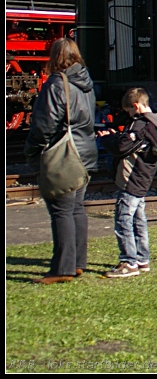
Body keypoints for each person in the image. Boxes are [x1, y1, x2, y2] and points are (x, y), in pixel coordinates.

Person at [24, 37, 98, 284]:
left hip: (65, 154)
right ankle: (77, 263)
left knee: (61, 209)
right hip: (85, 152)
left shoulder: (57, 84)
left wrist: (33, 150)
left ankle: (62, 268)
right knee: (76, 208)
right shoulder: (86, 83)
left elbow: (44, 124)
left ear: (54, 57)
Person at [100, 87, 157, 278]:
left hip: (131, 179)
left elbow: (122, 147)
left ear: (136, 106)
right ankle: (142, 259)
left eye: (129, 111)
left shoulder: (140, 126)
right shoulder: (156, 123)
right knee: (139, 220)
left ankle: (129, 263)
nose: (128, 116)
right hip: (143, 179)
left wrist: (108, 139)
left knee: (123, 220)